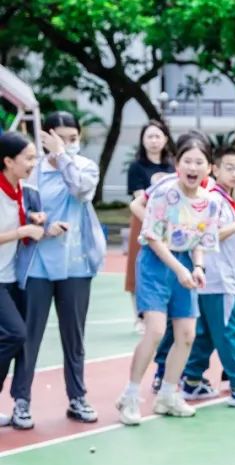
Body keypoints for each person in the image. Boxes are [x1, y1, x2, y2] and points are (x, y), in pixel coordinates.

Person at [116, 136, 221, 426]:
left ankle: (168, 395)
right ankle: (131, 396)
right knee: (156, 330)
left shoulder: (210, 202)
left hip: (184, 263)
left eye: (199, 162)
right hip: (155, 262)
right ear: (177, 165)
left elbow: (200, 239)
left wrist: (197, 267)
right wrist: (179, 269)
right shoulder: (164, 192)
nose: (193, 166)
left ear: (209, 168)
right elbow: (152, 236)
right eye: (187, 160)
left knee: (187, 334)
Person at [11, 111, 105, 429]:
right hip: (37, 264)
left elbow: (80, 191)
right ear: (45, 138)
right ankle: (21, 401)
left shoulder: (85, 167)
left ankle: (77, 397)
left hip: (76, 264)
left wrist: (63, 155)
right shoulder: (31, 173)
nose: (67, 144)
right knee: (29, 336)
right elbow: (21, 213)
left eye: (73, 139)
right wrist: (45, 226)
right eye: (59, 138)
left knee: (74, 336)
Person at [177, 146, 235, 408]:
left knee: (207, 333)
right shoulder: (214, 199)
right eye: (229, 167)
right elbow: (207, 236)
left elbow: (219, 233)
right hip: (217, 278)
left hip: (216, 277)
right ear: (215, 169)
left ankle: (192, 381)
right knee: (230, 331)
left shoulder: (223, 199)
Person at [0, 132, 46, 426]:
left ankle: (20, 401)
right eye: (28, 158)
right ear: (7, 161)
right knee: (15, 334)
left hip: (15, 276)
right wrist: (23, 231)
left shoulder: (23, 192)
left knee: (20, 338)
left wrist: (34, 220)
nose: (33, 163)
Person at [125, 120, 174, 333]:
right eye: (149, 137)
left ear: (165, 139)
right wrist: (155, 223)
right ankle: (139, 316)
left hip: (171, 222)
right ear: (143, 141)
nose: (154, 141)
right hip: (142, 220)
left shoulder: (173, 165)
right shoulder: (137, 167)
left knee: (168, 267)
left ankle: (166, 315)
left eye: (158, 136)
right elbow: (139, 198)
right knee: (138, 269)